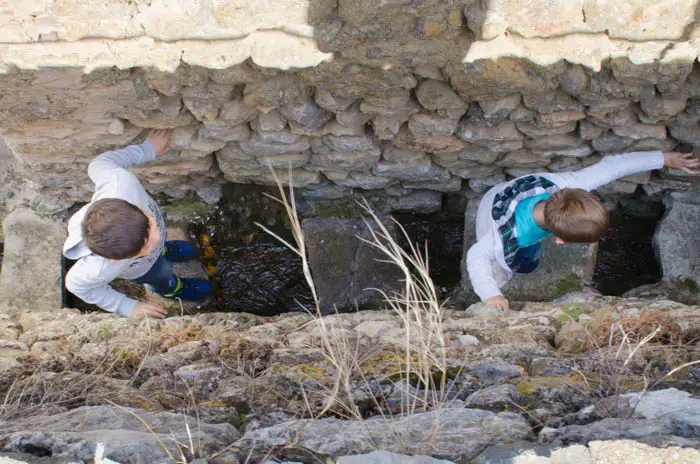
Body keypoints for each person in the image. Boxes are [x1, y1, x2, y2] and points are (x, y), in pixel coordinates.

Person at [465, 150, 700, 313]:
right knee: (509, 269)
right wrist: (491, 294)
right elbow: (477, 256)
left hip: (500, 195)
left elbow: (614, 165)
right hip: (489, 218)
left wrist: (664, 158)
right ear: (559, 240)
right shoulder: (501, 239)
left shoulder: (567, 185)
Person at [63, 129, 211, 319]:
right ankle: (174, 289)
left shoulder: (122, 183)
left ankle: (165, 250)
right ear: (116, 259)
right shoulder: (100, 267)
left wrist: (146, 150)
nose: (155, 237)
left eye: (150, 225)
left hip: (143, 256)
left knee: (160, 246)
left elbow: (99, 164)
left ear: (133, 208)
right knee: (162, 274)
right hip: (145, 269)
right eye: (146, 246)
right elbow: (75, 285)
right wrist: (125, 305)